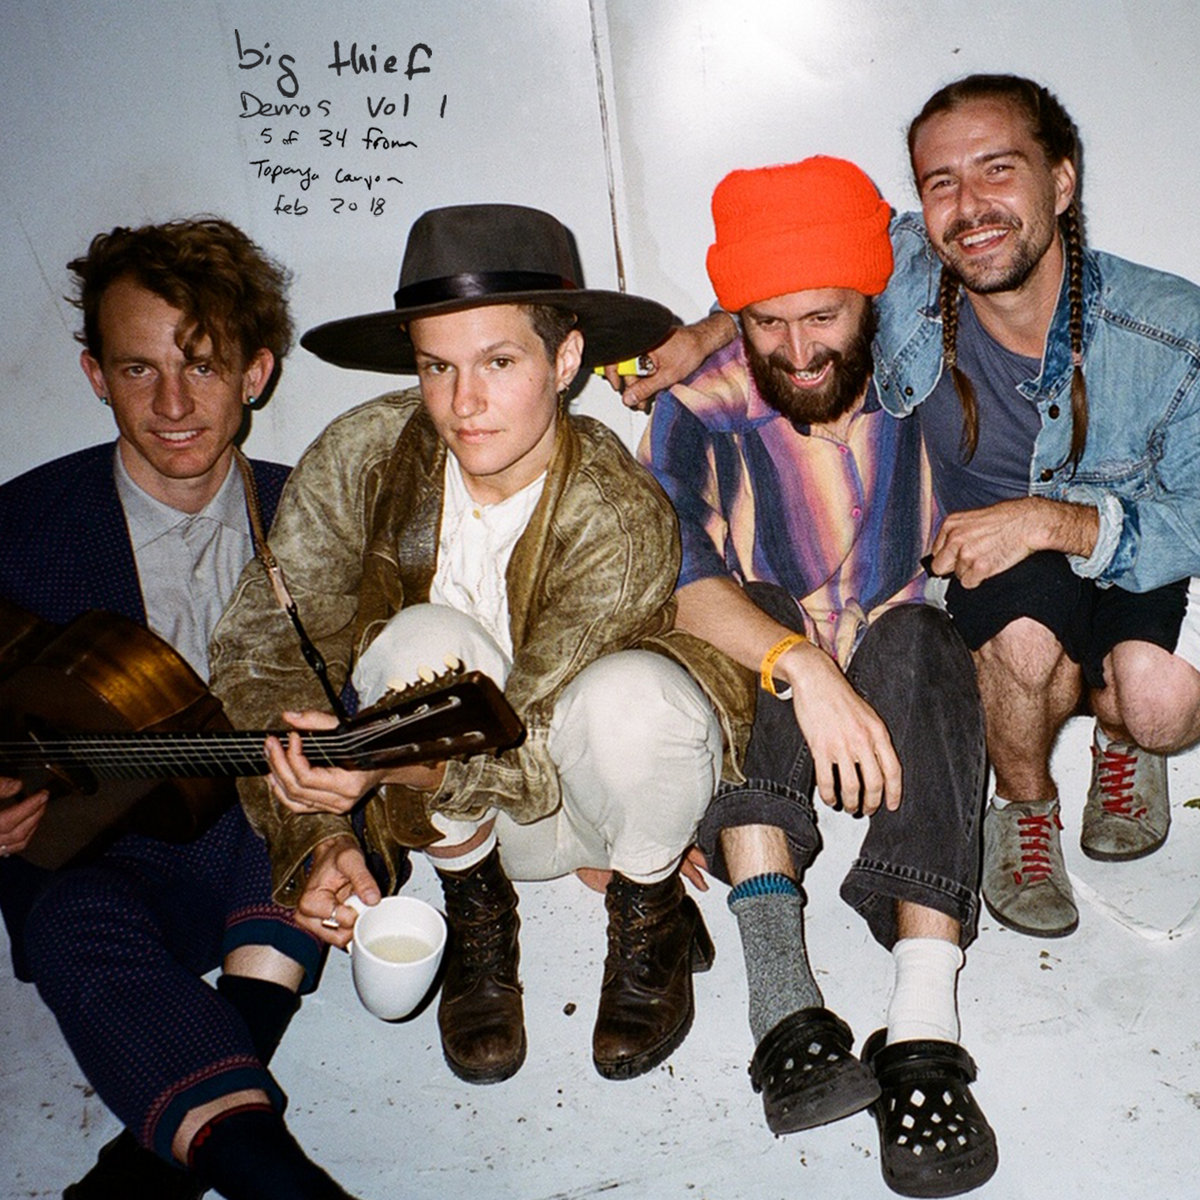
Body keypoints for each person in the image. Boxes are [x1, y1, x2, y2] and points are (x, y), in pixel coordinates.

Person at [615, 74, 1200, 941]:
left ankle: (1120, 737)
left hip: (1129, 538)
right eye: (941, 183)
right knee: (1015, 645)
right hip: (997, 565)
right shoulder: (912, 272)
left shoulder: (1171, 328)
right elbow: (792, 269)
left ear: (1060, 181)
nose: (970, 206)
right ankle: (1025, 809)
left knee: (1160, 705)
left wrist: (1054, 519)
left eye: (998, 169)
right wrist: (710, 330)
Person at [207, 203, 755, 1088]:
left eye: (499, 362)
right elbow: (262, 647)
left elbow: (528, 752)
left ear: (564, 361)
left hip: (593, 792)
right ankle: (477, 912)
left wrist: (378, 766)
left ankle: (647, 908)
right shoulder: (363, 456)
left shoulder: (620, 514)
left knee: (637, 696)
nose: (464, 404)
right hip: (469, 832)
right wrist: (317, 827)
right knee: (424, 640)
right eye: (438, 366)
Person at [640, 157, 996, 1199]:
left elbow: (946, 235)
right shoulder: (698, 403)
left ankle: (923, 1028)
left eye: (824, 317)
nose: (796, 352)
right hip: (775, 672)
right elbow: (673, 577)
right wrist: (798, 664)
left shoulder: (931, 361)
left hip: (899, 672)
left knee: (923, 638)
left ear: (872, 297)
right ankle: (783, 1005)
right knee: (753, 605)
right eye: (764, 322)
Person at [0, 218, 357, 1200]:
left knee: (287, 774)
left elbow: (366, 697)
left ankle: (155, 1173)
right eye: (138, 369)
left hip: (263, 855)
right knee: (65, 918)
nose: (171, 405)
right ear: (94, 374)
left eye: (202, 366)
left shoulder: (322, 518)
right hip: (97, 859)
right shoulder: (21, 529)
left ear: (256, 373)